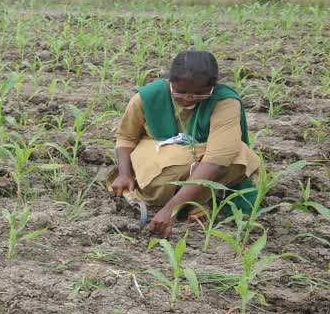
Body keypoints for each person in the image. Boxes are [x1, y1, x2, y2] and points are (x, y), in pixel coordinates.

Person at [108, 50, 260, 238]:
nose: (189, 98)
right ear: (170, 82)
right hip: (159, 156)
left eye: (200, 94)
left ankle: (189, 201)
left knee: (241, 157)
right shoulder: (148, 96)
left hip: (207, 161)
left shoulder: (225, 102)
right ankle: (196, 201)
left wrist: (170, 209)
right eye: (180, 92)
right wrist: (124, 173)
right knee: (168, 175)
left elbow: (216, 159)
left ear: (213, 87)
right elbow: (127, 137)